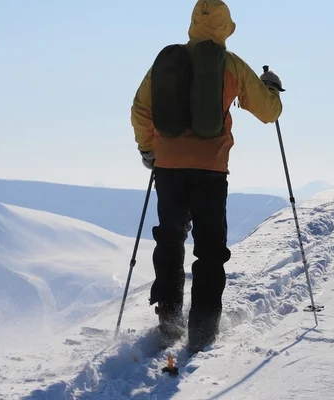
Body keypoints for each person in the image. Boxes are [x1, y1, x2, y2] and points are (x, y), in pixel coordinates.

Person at [130, 0, 284, 353]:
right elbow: (268, 112)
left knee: (170, 239)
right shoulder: (231, 65)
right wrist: (272, 87)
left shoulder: (167, 60)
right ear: (226, 26)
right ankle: (203, 329)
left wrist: (148, 149)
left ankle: (169, 321)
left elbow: (141, 108)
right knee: (210, 249)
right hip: (211, 170)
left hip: (168, 168)